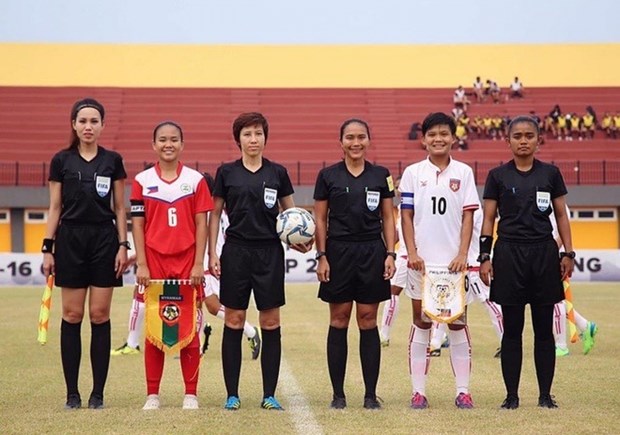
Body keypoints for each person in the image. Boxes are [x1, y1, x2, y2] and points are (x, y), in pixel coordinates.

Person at [209, 112, 309, 412]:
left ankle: (269, 394)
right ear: (238, 139)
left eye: (258, 133)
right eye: (247, 134)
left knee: (270, 322)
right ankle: (232, 395)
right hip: (236, 252)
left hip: (269, 253)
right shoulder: (226, 172)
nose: (253, 139)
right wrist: (214, 253)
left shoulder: (277, 173)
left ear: (265, 137)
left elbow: (292, 214)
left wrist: (301, 238)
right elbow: (214, 215)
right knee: (234, 320)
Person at [479, 115, 575, 410]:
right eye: (517, 136)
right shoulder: (497, 176)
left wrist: (568, 253)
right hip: (508, 254)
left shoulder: (551, 174)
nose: (523, 140)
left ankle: (545, 395)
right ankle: (511, 396)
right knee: (513, 330)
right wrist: (484, 257)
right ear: (507, 141)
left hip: (544, 254)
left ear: (538, 140)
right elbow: (489, 219)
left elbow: (560, 215)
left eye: (528, 136)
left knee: (544, 330)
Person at [42, 97, 129, 410]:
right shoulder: (61, 161)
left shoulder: (113, 160)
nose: (88, 126)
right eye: (83, 121)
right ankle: (72, 394)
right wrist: (47, 248)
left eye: (94, 121)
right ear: (73, 125)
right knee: (72, 315)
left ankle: (97, 395)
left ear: (103, 125)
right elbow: (54, 208)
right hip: (70, 241)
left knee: (99, 315)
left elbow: (120, 207)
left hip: (105, 241)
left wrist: (123, 245)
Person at [400, 112, 480, 410]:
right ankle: (418, 392)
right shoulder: (412, 173)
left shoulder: (464, 172)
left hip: (453, 267)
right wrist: (412, 253)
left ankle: (463, 391)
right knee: (421, 322)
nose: (438, 138)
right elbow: (406, 215)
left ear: (453, 138)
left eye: (444, 133)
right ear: (423, 140)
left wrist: (462, 254)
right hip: (422, 265)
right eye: (432, 134)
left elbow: (468, 215)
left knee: (457, 324)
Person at [314, 118, 396, 410]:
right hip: (338, 253)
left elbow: (388, 217)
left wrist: (390, 254)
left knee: (367, 320)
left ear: (368, 140)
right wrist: (321, 255)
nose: (356, 142)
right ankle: (338, 395)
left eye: (361, 136)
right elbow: (320, 219)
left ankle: (370, 395)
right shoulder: (327, 176)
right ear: (341, 142)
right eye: (350, 137)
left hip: (372, 252)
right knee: (339, 319)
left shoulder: (381, 175)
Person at [131, 121, 213, 410]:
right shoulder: (141, 180)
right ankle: (152, 394)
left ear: (182, 144)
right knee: (155, 326)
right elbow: (138, 225)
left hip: (187, 264)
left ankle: (191, 393)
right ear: (153, 145)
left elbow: (201, 224)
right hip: (153, 264)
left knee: (189, 327)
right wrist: (141, 263)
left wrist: (198, 264)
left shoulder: (195, 180)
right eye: (163, 140)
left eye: (174, 139)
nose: (169, 144)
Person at [549, 206, 598, 357]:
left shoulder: (558, 205)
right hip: (541, 257)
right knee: (550, 301)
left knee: (554, 301)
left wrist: (546, 251)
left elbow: (562, 235)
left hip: (551, 258)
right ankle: (585, 326)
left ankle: (561, 346)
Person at [379, 177, 405, 347]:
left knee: (392, 292)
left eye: (400, 186)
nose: (398, 190)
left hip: (409, 256)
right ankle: (438, 337)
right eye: (396, 187)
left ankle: (383, 335)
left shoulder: (415, 204)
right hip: (405, 253)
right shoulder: (402, 207)